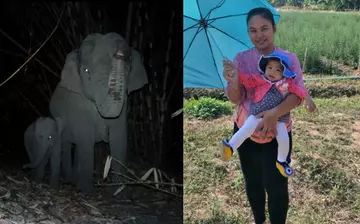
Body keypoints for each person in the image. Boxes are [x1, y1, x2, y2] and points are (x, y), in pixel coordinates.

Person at [222, 7, 316, 224]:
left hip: (277, 131)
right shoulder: (242, 59)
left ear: (274, 28)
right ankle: (258, 220)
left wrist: (274, 114)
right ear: (248, 33)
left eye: (264, 28)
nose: (259, 35)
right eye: (252, 30)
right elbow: (236, 99)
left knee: (276, 185)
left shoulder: (289, 59)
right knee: (253, 182)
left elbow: (296, 93)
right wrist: (233, 79)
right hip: (246, 131)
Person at [220, 52, 308, 178]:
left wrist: (307, 98)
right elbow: (245, 79)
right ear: (264, 68)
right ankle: (230, 147)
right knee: (246, 129)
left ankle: (281, 161)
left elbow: (299, 91)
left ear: (284, 73)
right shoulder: (259, 79)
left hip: (278, 118)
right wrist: (234, 73)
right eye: (269, 68)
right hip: (257, 114)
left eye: (278, 69)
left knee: (284, 139)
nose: (272, 71)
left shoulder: (287, 84)